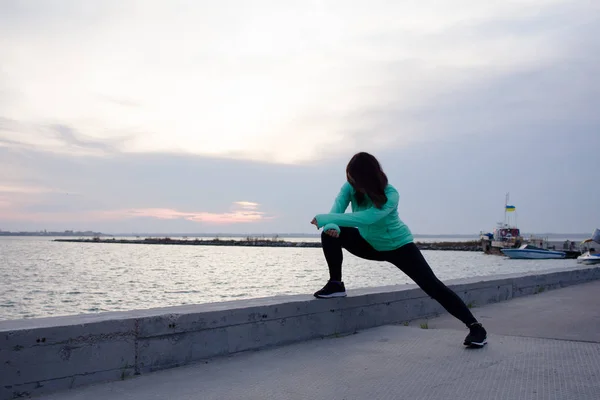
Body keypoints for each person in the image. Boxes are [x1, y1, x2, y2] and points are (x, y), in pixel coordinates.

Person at [310, 152, 488, 348]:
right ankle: (336, 284)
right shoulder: (349, 188)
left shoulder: (391, 194)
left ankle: (475, 327)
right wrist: (331, 226)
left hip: (399, 246)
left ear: (365, 177)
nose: (350, 182)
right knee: (328, 233)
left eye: (353, 178)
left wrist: (325, 219)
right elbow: (336, 212)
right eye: (349, 178)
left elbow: (367, 218)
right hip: (369, 244)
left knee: (433, 286)